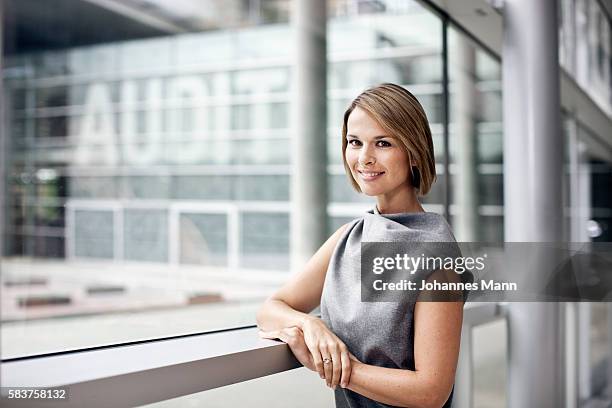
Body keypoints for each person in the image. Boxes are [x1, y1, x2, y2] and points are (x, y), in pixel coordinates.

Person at [257, 83, 471, 408]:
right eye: (354, 142)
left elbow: (431, 391)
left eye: (382, 143)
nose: (364, 158)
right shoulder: (348, 238)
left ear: (413, 151)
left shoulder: (436, 256)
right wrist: (309, 325)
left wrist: (333, 365)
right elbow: (269, 310)